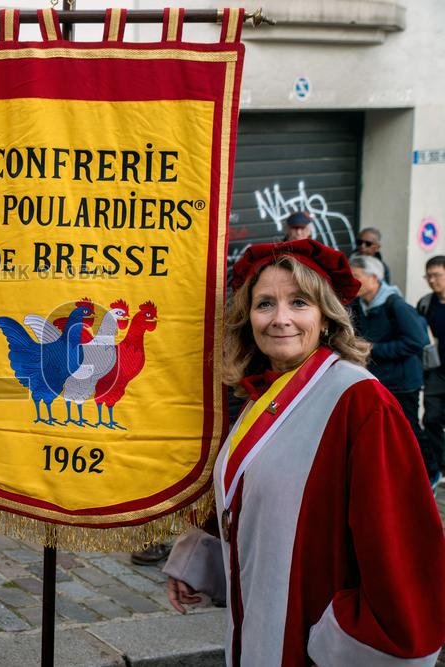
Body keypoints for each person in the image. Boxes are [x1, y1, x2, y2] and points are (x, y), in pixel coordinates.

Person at [163, 239, 445, 666]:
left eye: (299, 302)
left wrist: (343, 646)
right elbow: (244, 496)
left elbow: (402, 546)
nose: (280, 319)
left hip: (310, 645)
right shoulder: (262, 394)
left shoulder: (359, 400)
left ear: (326, 316)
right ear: (247, 318)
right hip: (257, 633)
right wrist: (198, 562)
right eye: (264, 304)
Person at [348, 254, 429, 466]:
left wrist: (374, 349)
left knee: (409, 430)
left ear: (374, 278)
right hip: (379, 380)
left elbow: (417, 341)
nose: (352, 281)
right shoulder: (358, 305)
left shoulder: (397, 305)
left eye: (357, 276)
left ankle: (429, 470)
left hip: (403, 383)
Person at [417, 256, 445, 486]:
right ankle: (438, 466)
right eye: (429, 275)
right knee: (432, 418)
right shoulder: (426, 303)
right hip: (436, 371)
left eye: (437, 275)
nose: (432, 280)